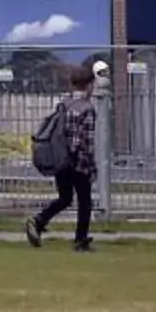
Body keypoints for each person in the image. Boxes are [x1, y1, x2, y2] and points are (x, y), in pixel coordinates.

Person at [26, 63, 100, 252]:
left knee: (65, 197)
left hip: (60, 158)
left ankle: (38, 220)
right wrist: (91, 167)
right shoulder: (87, 109)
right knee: (85, 201)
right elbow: (85, 142)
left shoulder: (63, 104)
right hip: (78, 161)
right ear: (90, 85)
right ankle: (80, 240)